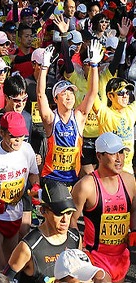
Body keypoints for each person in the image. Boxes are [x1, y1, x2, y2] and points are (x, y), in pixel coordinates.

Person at [70, 132, 136, 283]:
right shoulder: (86, 186)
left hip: (121, 257)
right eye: (113, 153)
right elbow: (72, 220)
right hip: (97, 258)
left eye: (121, 152)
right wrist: (79, 250)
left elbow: (134, 210)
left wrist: (134, 230)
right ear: (99, 156)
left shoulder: (129, 181)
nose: (119, 158)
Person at [6, 181, 81, 283]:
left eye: (69, 212)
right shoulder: (28, 246)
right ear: (43, 211)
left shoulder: (75, 239)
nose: (65, 219)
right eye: (59, 213)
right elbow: (6, 281)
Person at [37, 42, 102, 187]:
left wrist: (94, 65)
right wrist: (44, 67)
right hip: (52, 178)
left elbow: (92, 93)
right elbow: (41, 95)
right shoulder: (51, 118)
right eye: (64, 93)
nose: (69, 96)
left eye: (71, 93)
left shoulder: (78, 116)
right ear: (55, 99)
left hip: (73, 179)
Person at [0, 112, 39, 270]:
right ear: (1, 133)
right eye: (14, 136)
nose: (18, 140)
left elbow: (33, 173)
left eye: (21, 136)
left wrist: (36, 186)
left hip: (15, 215)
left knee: (9, 265)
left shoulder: (27, 149)